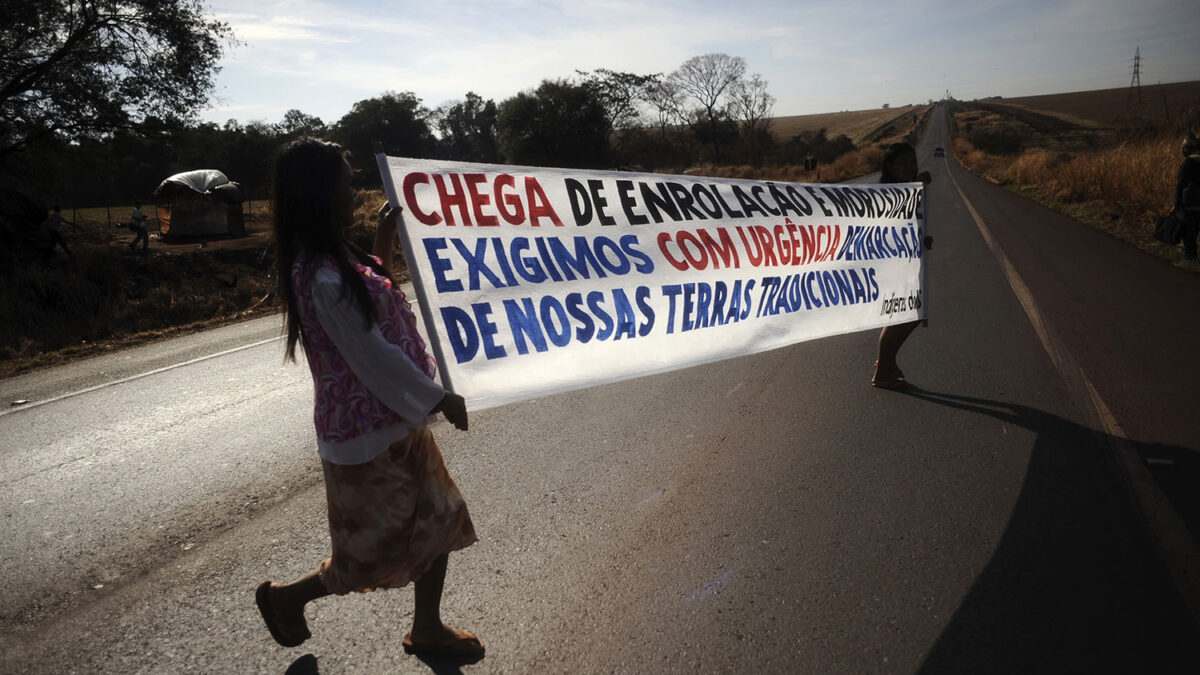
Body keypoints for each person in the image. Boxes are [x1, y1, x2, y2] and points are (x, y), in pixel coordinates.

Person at [255, 138, 483, 657]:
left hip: (397, 422)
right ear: (318, 192)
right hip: (366, 437)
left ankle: (427, 627)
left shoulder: (336, 258)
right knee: (367, 556)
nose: (351, 189)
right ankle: (286, 599)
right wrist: (438, 398)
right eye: (344, 180)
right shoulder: (319, 274)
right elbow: (371, 353)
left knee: (440, 521)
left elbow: (370, 298)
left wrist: (383, 237)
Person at [873, 142, 932, 389]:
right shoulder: (890, 193)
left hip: (906, 261)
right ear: (889, 165)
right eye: (903, 163)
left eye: (913, 161)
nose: (910, 167)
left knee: (903, 312)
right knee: (906, 313)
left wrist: (921, 239)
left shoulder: (906, 188)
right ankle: (884, 368)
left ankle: (886, 362)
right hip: (893, 263)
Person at [1174, 133, 1200, 261]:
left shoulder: (1189, 162)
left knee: (1189, 234)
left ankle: (1190, 259)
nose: (1183, 150)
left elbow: (1181, 184)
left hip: (1190, 205)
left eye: (1184, 147)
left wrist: (1177, 205)